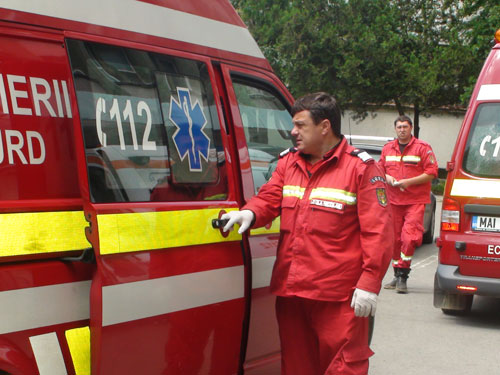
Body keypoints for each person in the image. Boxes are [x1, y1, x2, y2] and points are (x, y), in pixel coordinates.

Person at [222, 92, 393, 375]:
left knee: (343, 367)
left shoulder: (360, 168)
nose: (293, 132)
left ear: (324, 127)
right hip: (293, 293)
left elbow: (379, 232)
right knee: (297, 366)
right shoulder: (290, 163)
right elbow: (270, 196)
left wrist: (370, 282)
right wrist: (250, 213)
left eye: (300, 125)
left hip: (337, 297)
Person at [379, 115, 438, 294]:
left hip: (415, 200)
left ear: (411, 128)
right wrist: (387, 177)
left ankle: (403, 276)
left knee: (409, 238)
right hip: (394, 201)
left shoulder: (422, 148)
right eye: (399, 127)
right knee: (395, 239)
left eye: (405, 126)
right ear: (395, 129)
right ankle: (397, 274)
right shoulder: (388, 148)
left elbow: (432, 172)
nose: (402, 130)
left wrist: (409, 182)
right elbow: (380, 168)